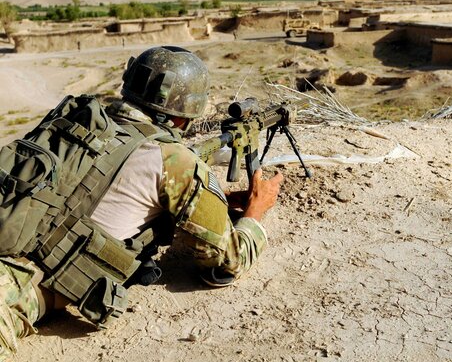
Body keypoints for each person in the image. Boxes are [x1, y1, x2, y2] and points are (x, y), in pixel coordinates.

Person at [0, 45, 283, 360]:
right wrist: (255, 211)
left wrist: (217, 199)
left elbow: (75, 193)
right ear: (183, 116)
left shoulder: (81, 122)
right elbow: (225, 261)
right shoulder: (173, 160)